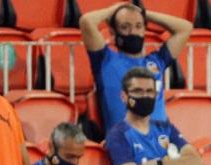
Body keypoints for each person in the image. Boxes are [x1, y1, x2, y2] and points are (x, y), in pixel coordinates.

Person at [81, 1, 192, 133]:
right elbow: (86, 21)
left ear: (144, 29)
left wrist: (143, 13)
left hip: (161, 141)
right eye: (125, 27)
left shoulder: (157, 61)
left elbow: (185, 28)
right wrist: (115, 10)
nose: (133, 32)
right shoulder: (104, 59)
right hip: (125, 142)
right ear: (113, 32)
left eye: (138, 26)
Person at [104, 67, 206, 165]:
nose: (145, 96)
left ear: (156, 95)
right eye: (138, 91)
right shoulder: (118, 135)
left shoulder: (165, 128)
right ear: (124, 96)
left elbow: (197, 164)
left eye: (150, 91)